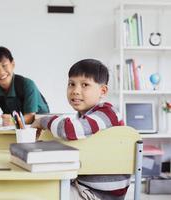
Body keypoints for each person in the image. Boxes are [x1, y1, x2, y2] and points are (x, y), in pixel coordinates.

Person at [31, 59, 129, 200]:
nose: (76, 91)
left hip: (98, 194)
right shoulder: (84, 119)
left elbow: (68, 129)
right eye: (71, 84)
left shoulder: (108, 113)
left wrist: (41, 121)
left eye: (85, 85)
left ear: (103, 91)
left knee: (37, 193)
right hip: (82, 186)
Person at [0, 46, 49, 127]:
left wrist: (14, 121)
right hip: (19, 127)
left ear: (12, 64)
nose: (1, 72)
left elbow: (30, 117)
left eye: (4, 65)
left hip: (40, 127)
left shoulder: (27, 84)